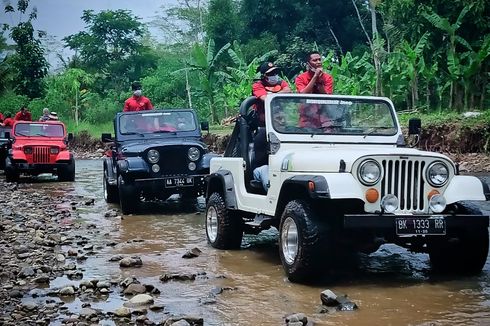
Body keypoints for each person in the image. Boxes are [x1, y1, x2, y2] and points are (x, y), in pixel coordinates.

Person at [252, 62, 291, 127]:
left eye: (275, 72)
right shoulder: (258, 85)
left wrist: (272, 95)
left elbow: (288, 91)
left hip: (280, 116)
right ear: (264, 75)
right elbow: (265, 99)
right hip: (263, 117)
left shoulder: (281, 82)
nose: (274, 75)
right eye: (270, 74)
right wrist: (279, 94)